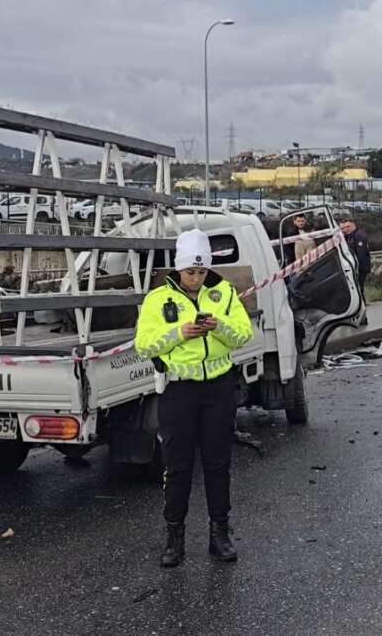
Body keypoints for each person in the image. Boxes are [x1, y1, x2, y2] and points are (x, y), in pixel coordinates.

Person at [134, 228, 254, 567]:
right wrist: (180, 333)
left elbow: (242, 335)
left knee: (218, 463)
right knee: (178, 466)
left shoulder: (223, 292)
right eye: (191, 272)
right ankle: (174, 537)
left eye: (202, 272)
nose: (197, 279)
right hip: (179, 390)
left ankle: (220, 533)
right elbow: (144, 344)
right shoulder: (159, 299)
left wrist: (218, 327)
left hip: (218, 388)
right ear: (178, 268)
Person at [340, 218, 372, 324]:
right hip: (354, 269)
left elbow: (361, 255)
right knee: (356, 292)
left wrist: (356, 269)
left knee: (358, 292)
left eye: (348, 226)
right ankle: (357, 316)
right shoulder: (348, 236)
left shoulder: (359, 236)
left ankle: (363, 317)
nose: (346, 229)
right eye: (344, 227)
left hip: (360, 269)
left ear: (354, 225)